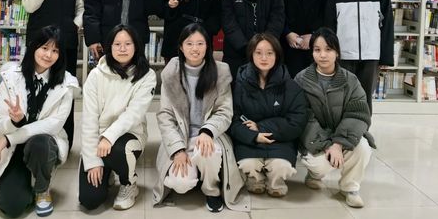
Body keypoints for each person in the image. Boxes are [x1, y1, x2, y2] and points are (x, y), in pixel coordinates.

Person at [0, 25, 79, 218]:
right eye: (44, 48)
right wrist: (14, 121)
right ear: (34, 47)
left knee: (40, 142)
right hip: (14, 150)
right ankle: (24, 182)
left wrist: (9, 138)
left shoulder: (66, 85)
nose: (49, 55)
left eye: (55, 51)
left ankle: (42, 189)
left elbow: (53, 125)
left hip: (43, 145)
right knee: (12, 206)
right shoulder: (11, 78)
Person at [153, 23, 247, 213]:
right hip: (181, 136)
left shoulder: (220, 71)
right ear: (181, 47)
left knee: (207, 152)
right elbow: (165, 116)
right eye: (189, 44)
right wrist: (177, 150)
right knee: (180, 184)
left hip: (210, 135)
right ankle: (196, 174)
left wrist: (207, 131)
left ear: (207, 46)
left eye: (200, 43)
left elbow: (224, 111)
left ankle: (211, 189)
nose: (195, 49)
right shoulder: (171, 73)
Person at [294, 27, 375, 209]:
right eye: (317, 50)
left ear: (337, 52)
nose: (323, 55)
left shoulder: (350, 80)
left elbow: (358, 114)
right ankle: (314, 175)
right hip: (316, 140)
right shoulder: (301, 79)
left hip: (343, 137)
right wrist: (327, 145)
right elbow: (303, 117)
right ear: (312, 52)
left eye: (328, 49)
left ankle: (350, 188)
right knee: (319, 164)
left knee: (363, 148)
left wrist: (338, 143)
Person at [78, 24, 156, 211]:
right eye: (117, 44)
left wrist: (108, 136)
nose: (122, 49)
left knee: (119, 149)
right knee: (90, 200)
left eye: (128, 44)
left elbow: (133, 114)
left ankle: (129, 184)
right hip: (99, 141)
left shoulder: (147, 75)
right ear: (109, 47)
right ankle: (108, 169)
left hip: (130, 135)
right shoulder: (95, 75)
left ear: (136, 46)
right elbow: (89, 120)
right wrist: (92, 161)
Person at [22, 0, 84, 148]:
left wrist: (74, 25)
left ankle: (64, 141)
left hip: (66, 42)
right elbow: (30, 6)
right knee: (34, 88)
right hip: (38, 42)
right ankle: (31, 140)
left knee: (63, 90)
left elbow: (81, 7)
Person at [229, 33, 308, 197]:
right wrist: (253, 136)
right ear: (251, 54)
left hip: (279, 139)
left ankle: (275, 182)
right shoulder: (240, 84)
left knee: (281, 166)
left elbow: (297, 120)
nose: (264, 58)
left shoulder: (290, 85)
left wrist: (261, 127)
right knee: (248, 164)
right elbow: (233, 119)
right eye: (258, 53)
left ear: (277, 55)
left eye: (269, 53)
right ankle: (255, 179)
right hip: (250, 139)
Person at [325, 0, 394, 112]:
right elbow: (329, 25)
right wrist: (331, 53)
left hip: (370, 55)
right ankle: (344, 127)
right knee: (343, 96)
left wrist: (386, 57)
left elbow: (387, 26)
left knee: (365, 97)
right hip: (344, 54)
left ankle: (363, 126)